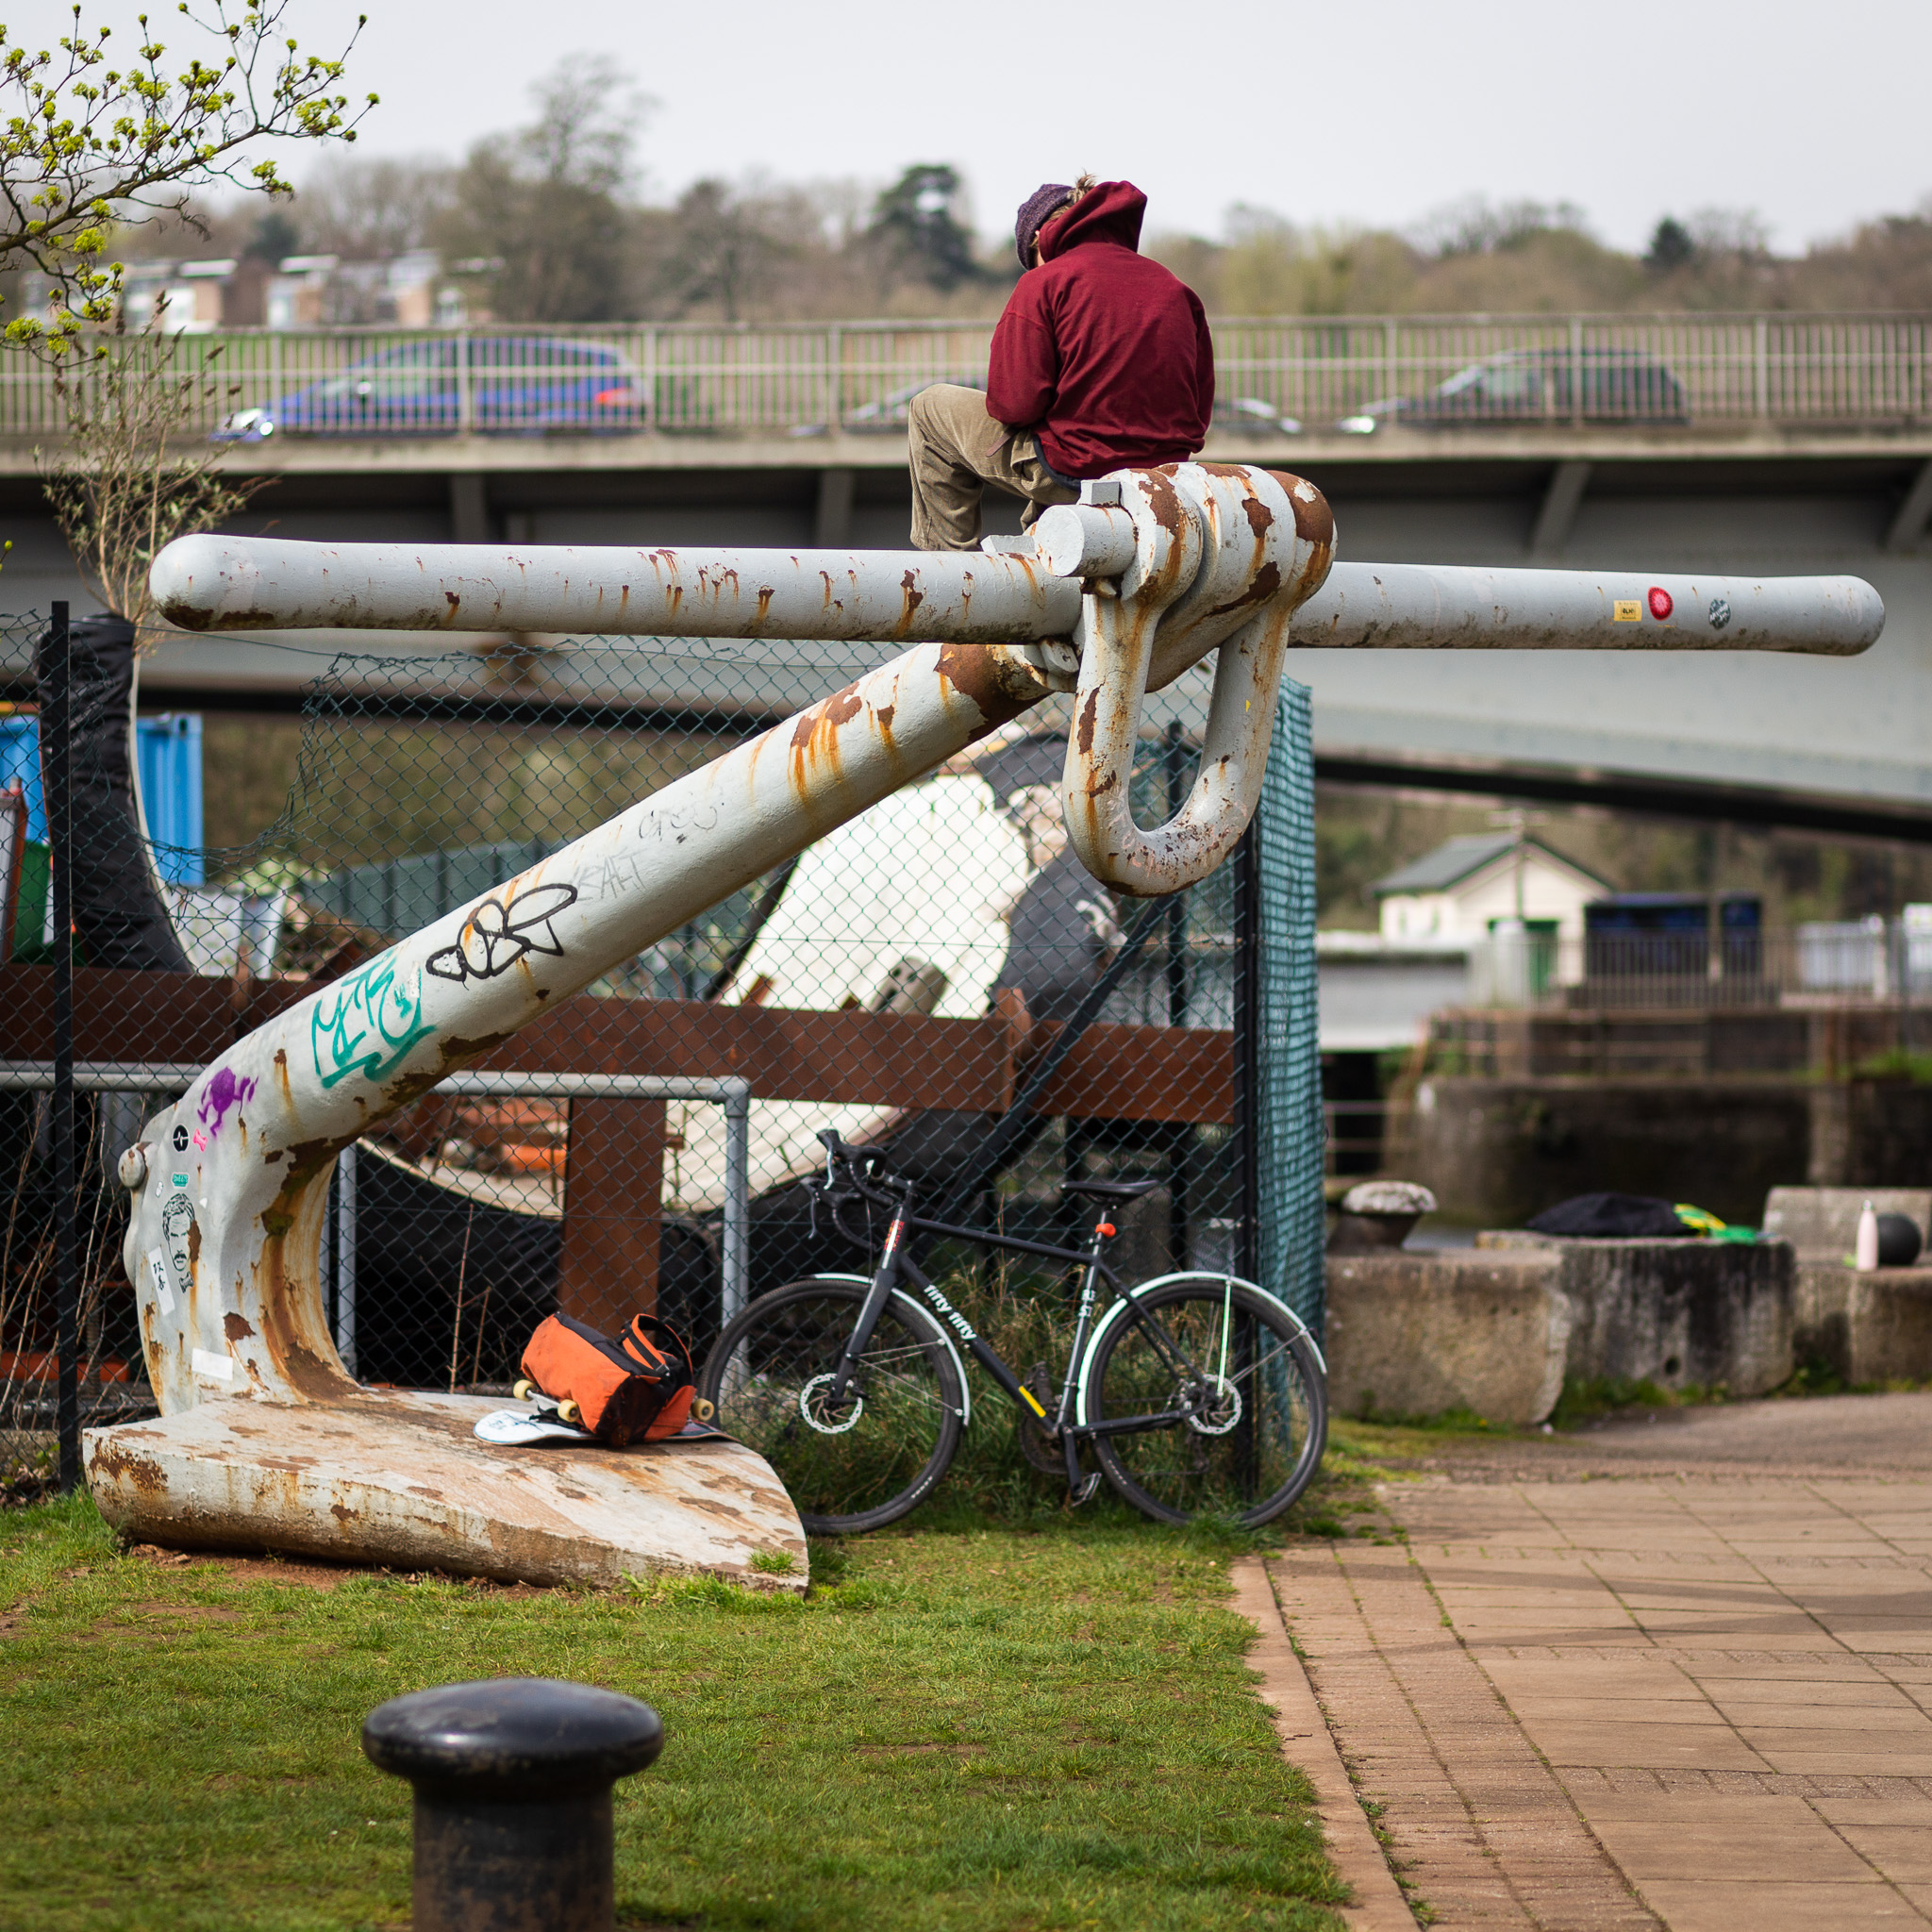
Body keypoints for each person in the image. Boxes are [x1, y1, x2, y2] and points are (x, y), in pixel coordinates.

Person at [908, 175, 1215, 552]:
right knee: (1059, 425)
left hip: (1073, 472)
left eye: (1030, 259)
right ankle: (1045, 550)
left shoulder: (1046, 282)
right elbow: (1199, 415)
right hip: (1161, 479)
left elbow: (1014, 406)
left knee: (929, 407)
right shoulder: (1175, 288)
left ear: (1039, 237)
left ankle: (949, 573)